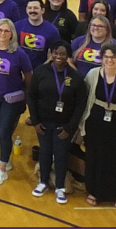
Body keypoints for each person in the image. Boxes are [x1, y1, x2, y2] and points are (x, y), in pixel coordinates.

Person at [27, 40, 86, 203]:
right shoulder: (40, 71)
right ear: (51, 54)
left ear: (68, 56)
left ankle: (60, 186)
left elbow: (81, 104)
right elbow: (31, 96)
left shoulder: (76, 77)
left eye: (62, 54)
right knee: (45, 152)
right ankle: (43, 182)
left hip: (64, 125)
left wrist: (70, 127)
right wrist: (35, 121)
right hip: (43, 123)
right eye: (56, 53)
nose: (59, 56)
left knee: (60, 154)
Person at [79, 42, 116, 207]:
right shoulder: (92, 74)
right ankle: (93, 191)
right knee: (94, 156)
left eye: (113, 57)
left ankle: (115, 193)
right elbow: (86, 97)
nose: (110, 60)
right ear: (102, 58)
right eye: (106, 57)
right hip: (96, 119)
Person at [0, 18, 33, 186]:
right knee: (3, 130)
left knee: (4, 131)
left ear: (12, 34)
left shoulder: (19, 54)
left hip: (12, 98)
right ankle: (7, 159)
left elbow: (28, 76)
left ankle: (3, 169)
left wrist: (27, 97)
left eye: (6, 31)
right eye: (0, 30)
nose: (3, 33)